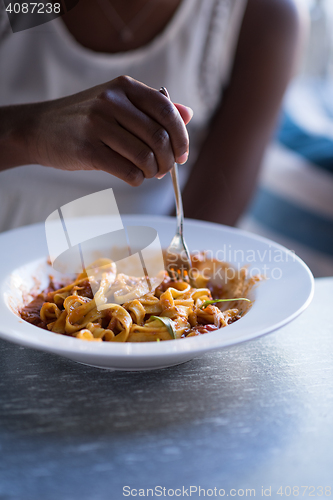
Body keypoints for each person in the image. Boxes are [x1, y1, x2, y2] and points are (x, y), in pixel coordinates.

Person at [0, 0, 302, 232]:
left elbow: (202, 231)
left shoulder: (258, 17)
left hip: (135, 266)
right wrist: (29, 132)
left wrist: (128, 300)